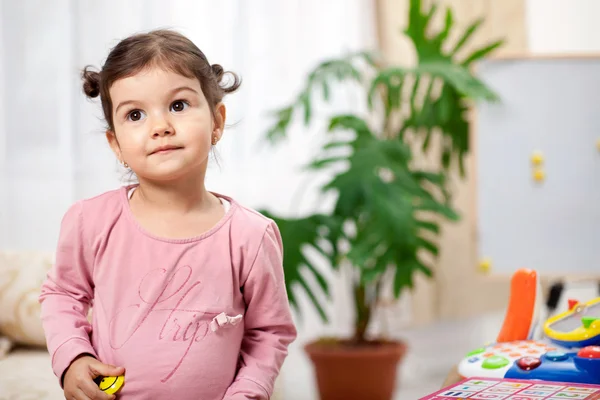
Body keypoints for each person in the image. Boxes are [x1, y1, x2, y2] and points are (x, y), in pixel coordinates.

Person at [39, 29, 297, 400]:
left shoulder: (250, 235)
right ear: (116, 145)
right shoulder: (90, 221)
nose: (160, 127)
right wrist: (72, 357)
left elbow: (270, 333)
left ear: (217, 122)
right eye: (136, 114)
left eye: (178, 105)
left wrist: (249, 390)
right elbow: (62, 294)